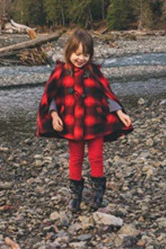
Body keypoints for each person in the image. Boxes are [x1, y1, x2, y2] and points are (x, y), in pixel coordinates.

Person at [36, 29, 133, 212]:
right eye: (77, 54)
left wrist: (120, 113)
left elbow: (107, 95)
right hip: (72, 124)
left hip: (94, 122)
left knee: (96, 157)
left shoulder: (94, 72)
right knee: (75, 159)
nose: (81, 58)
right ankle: (75, 195)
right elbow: (52, 97)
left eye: (85, 54)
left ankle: (98, 192)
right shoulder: (60, 72)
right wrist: (54, 115)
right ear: (69, 52)